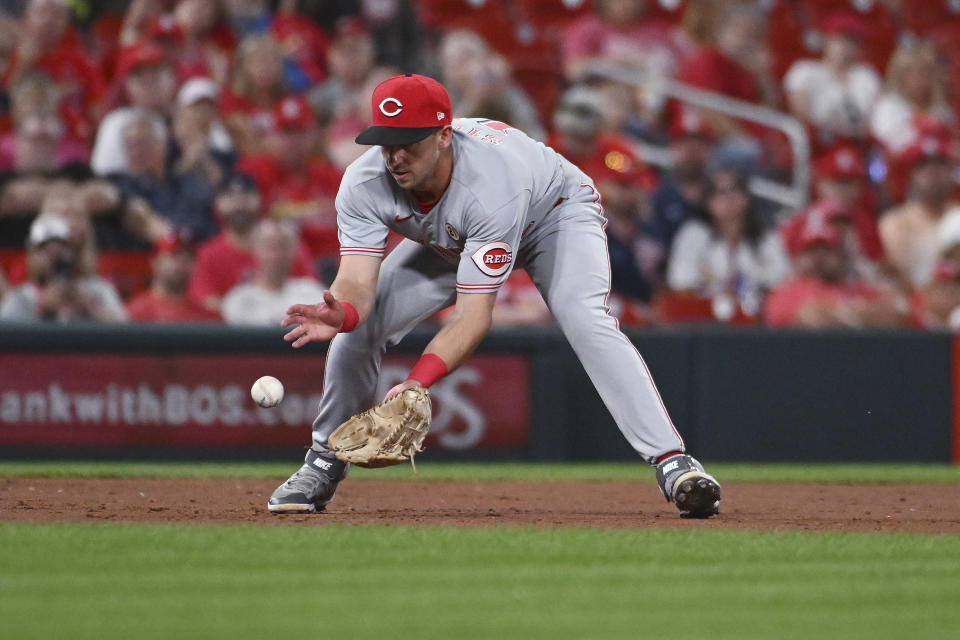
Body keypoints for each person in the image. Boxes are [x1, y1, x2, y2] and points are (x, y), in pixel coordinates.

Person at [267, 74, 721, 518]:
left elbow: (472, 317)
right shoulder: (364, 181)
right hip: (454, 236)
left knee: (586, 320)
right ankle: (323, 462)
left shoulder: (490, 184)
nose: (396, 156)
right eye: (387, 141)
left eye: (410, 142)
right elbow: (357, 282)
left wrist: (418, 381)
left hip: (552, 215)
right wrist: (343, 313)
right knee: (355, 334)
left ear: (445, 135)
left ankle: (673, 463)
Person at [666, 166, 790, 317]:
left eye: (735, 190)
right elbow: (681, 285)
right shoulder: (693, 234)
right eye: (720, 192)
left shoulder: (766, 237)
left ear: (747, 198)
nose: (729, 197)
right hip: (704, 319)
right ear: (708, 201)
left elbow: (783, 284)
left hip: (758, 319)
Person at [188, 172, 316, 314]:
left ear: (259, 199)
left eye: (245, 195)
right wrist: (248, 312)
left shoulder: (286, 244)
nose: (239, 203)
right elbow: (206, 301)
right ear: (217, 203)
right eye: (230, 196)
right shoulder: (208, 254)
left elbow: (310, 292)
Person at [765, 205, 907, 328]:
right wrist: (861, 313)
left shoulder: (859, 287)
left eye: (827, 248)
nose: (819, 257)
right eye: (812, 249)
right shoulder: (788, 292)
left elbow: (896, 314)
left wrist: (836, 314)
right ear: (799, 258)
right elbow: (813, 319)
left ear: (840, 253)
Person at [0, 209, 126, 323]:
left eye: (62, 247)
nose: (54, 255)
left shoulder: (97, 289)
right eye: (44, 249)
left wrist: (89, 307)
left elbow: (124, 329)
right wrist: (42, 308)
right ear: (31, 256)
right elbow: (6, 337)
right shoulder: (22, 297)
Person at [221, 218, 326, 326]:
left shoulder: (313, 294)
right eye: (269, 247)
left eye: (283, 247)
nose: (276, 255)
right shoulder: (238, 301)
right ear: (256, 250)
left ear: (294, 252)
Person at [126, 231, 220, 323]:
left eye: (188, 256)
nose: (181, 261)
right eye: (174, 255)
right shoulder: (136, 312)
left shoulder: (206, 316)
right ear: (155, 262)